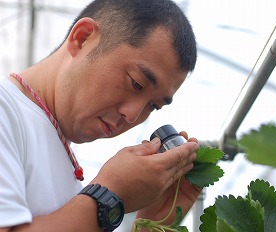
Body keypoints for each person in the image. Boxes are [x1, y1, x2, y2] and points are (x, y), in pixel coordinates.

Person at [0, 0, 201, 231]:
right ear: (83, 38)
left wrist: (154, 224)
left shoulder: (61, 156)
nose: (133, 115)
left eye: (153, 106)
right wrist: (110, 193)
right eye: (136, 83)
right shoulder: (6, 110)